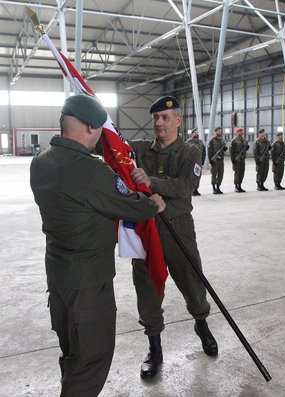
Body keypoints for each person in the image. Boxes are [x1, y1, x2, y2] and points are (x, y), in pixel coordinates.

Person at [30, 94, 166, 397]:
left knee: (72, 354)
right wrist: (153, 204)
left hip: (59, 278)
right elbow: (131, 206)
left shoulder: (40, 163)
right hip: (89, 286)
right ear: (91, 128)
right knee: (92, 360)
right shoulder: (91, 172)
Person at [128, 95, 218, 380]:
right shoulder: (140, 150)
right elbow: (112, 149)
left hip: (179, 228)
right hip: (145, 232)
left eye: (166, 118)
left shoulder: (191, 152)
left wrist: (152, 183)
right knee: (148, 289)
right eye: (155, 118)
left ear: (178, 120)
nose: (159, 123)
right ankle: (154, 348)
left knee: (192, 282)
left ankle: (201, 324)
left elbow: (187, 185)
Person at [207, 126, 228, 194]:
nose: (220, 132)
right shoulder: (212, 140)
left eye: (220, 131)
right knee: (214, 174)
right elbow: (209, 151)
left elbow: (224, 146)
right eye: (218, 131)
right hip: (215, 160)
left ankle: (218, 187)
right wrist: (210, 160)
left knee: (221, 174)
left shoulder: (222, 139)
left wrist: (225, 148)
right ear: (215, 132)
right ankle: (214, 188)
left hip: (221, 159)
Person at [186, 127, 206, 196]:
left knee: (198, 176)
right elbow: (186, 152)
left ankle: (196, 189)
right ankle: (192, 190)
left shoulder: (200, 142)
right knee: (192, 176)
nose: (196, 133)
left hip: (199, 162)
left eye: (197, 132)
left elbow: (204, 152)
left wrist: (202, 160)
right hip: (191, 162)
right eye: (195, 132)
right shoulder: (189, 141)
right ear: (192, 134)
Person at [230, 127, 249, 192]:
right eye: (240, 131)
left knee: (242, 172)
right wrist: (233, 160)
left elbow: (245, 149)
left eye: (242, 131)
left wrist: (247, 148)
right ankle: (236, 186)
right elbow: (231, 151)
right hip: (237, 158)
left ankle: (240, 185)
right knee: (237, 173)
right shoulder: (234, 140)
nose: (241, 132)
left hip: (242, 159)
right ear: (237, 132)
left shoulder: (244, 139)